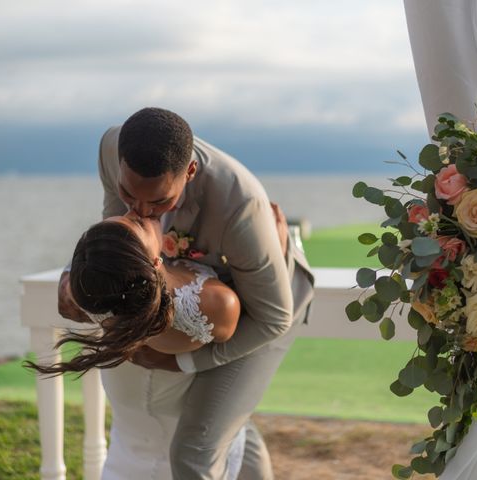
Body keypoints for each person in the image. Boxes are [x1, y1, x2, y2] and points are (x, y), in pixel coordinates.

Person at [58, 107, 314, 480]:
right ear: (119, 163)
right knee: (227, 418)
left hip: (267, 308)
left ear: (190, 173)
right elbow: (121, 238)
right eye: (128, 193)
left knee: (195, 449)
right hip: (201, 287)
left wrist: (183, 363)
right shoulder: (111, 147)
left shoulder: (240, 204)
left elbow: (274, 317)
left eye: (160, 202)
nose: (142, 212)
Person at [28, 214, 247, 479]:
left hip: (127, 449)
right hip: (183, 457)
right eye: (139, 225)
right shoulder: (213, 305)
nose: (134, 212)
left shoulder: (92, 292)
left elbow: (71, 284)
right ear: (151, 263)